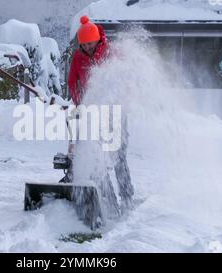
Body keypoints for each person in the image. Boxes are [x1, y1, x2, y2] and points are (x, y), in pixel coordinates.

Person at [67, 16, 134, 217]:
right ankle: (109, 200)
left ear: (98, 39)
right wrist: (81, 104)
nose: (87, 47)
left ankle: (127, 197)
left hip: (115, 112)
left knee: (118, 157)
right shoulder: (78, 58)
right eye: (83, 44)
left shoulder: (112, 53)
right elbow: (73, 82)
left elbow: (126, 79)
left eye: (90, 43)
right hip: (92, 114)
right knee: (93, 158)